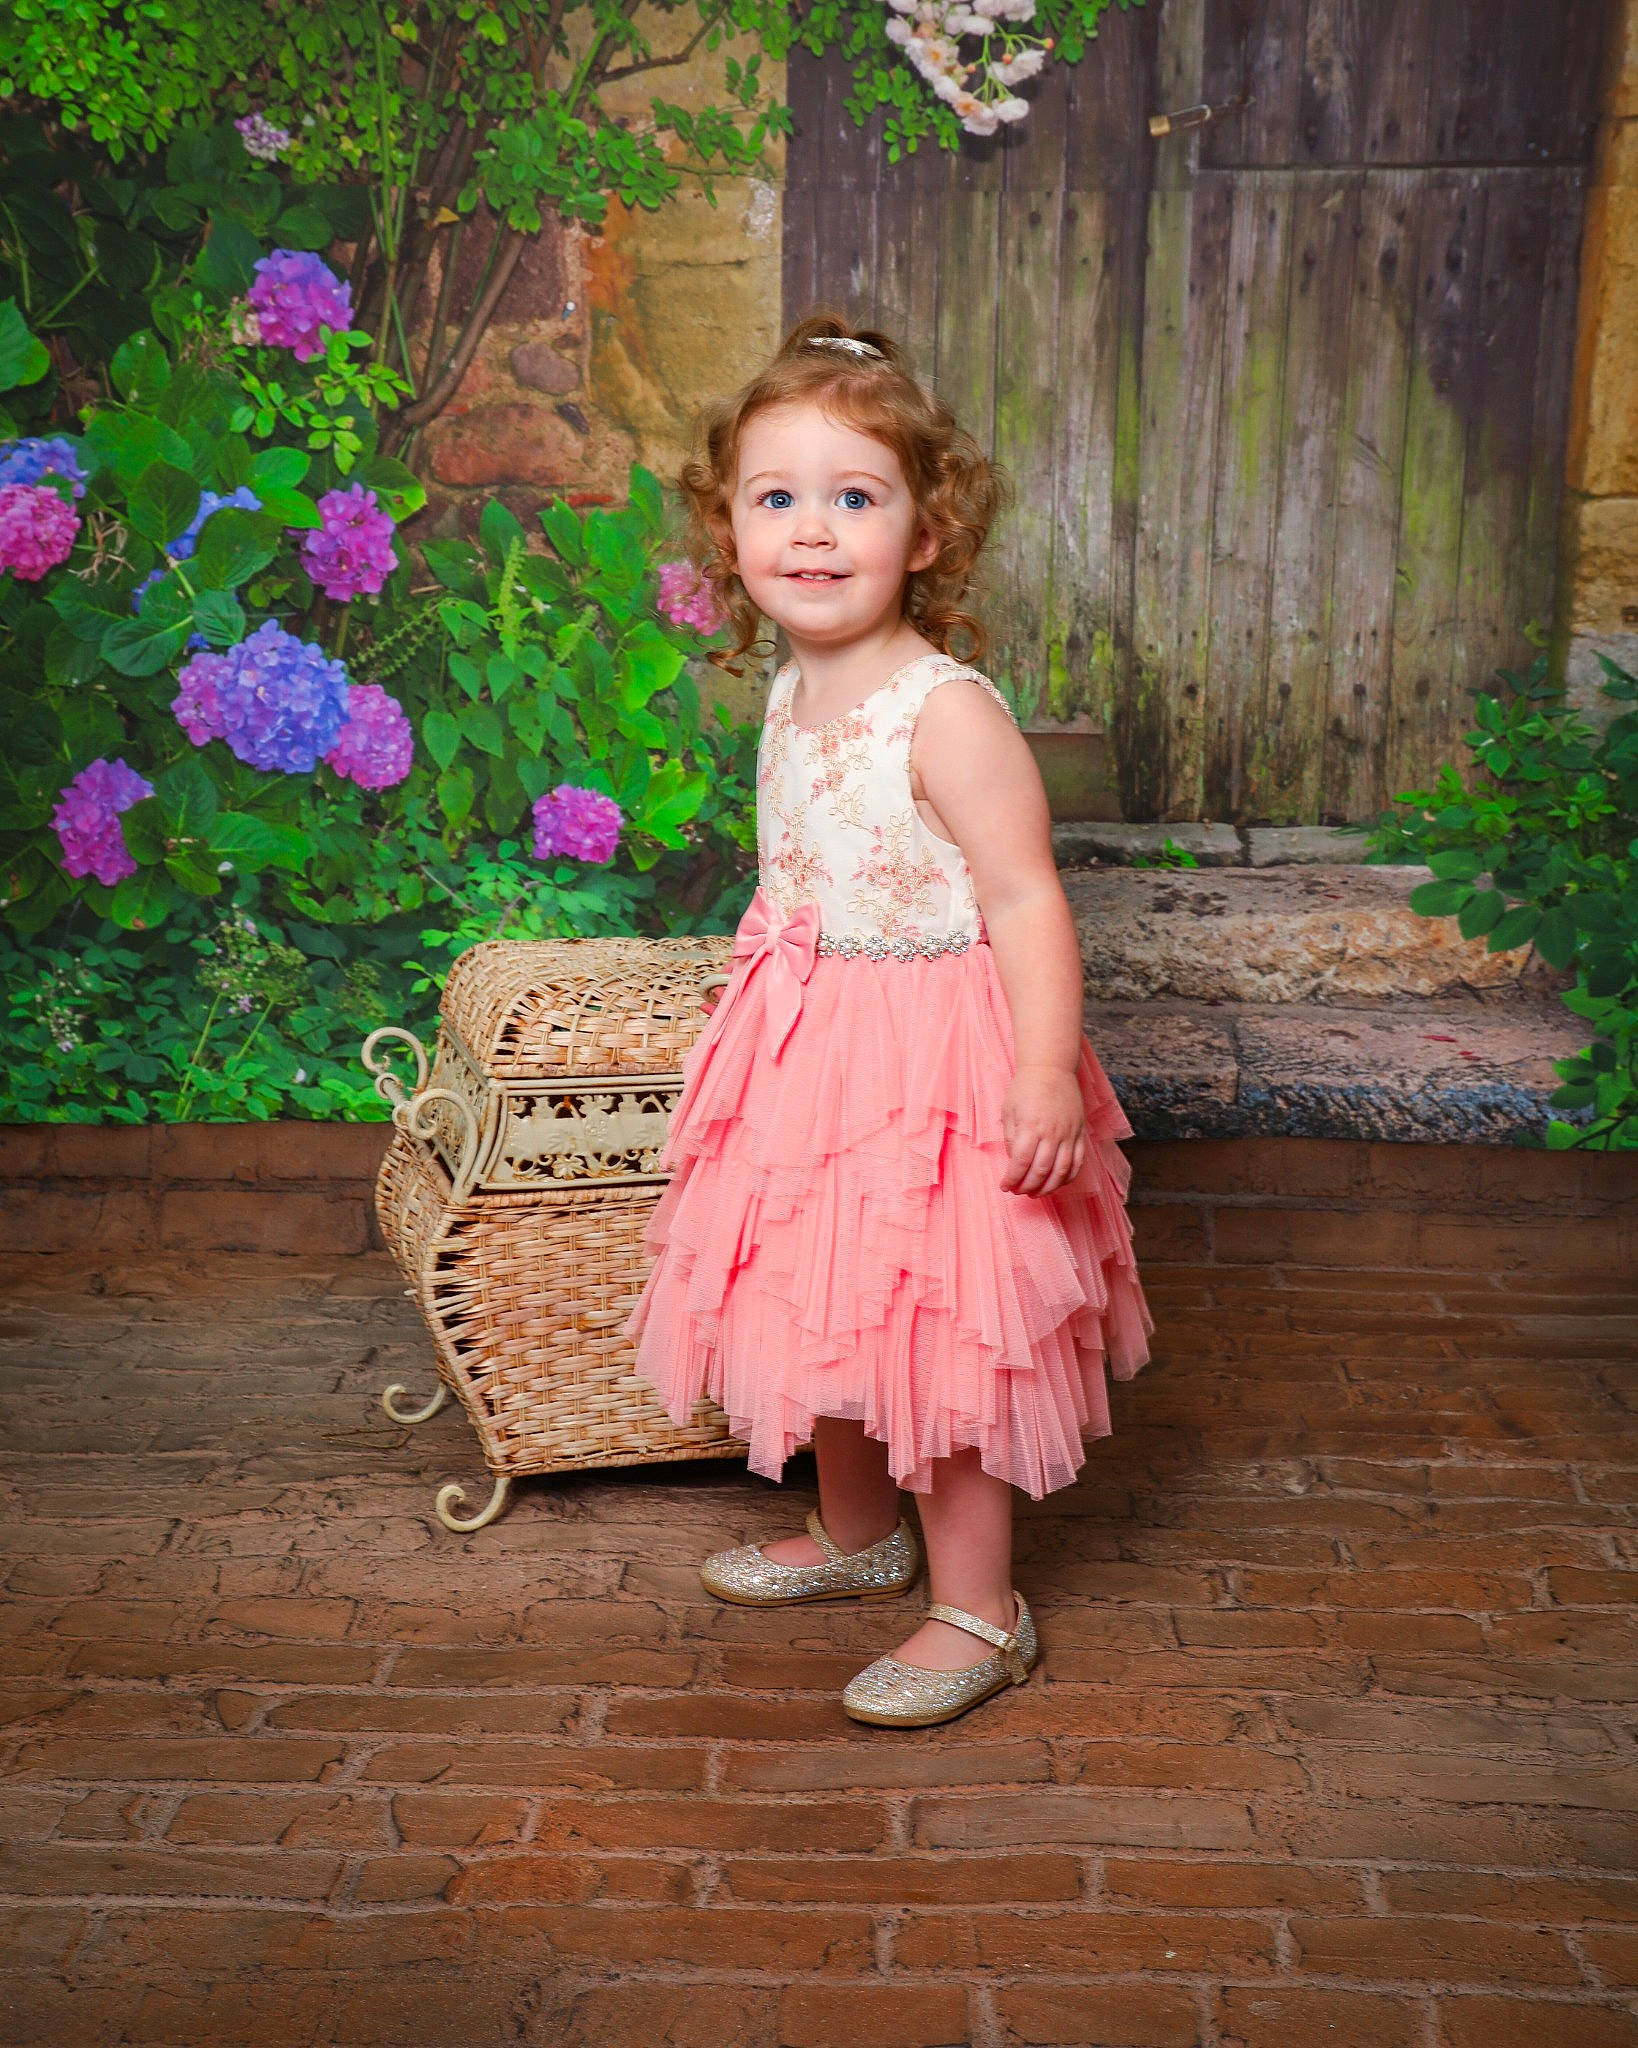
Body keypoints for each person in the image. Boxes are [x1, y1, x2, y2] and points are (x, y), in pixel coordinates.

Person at [624, 313, 1153, 1727]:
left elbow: (1027, 901)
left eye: (853, 497)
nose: (810, 530)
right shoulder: (792, 693)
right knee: (822, 1300)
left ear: (924, 533)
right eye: (773, 497)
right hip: (811, 1046)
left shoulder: (946, 712)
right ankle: (859, 1533)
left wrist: (1041, 1070)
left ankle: (982, 1608)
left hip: (932, 1063)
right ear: (727, 528)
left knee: (938, 1329)